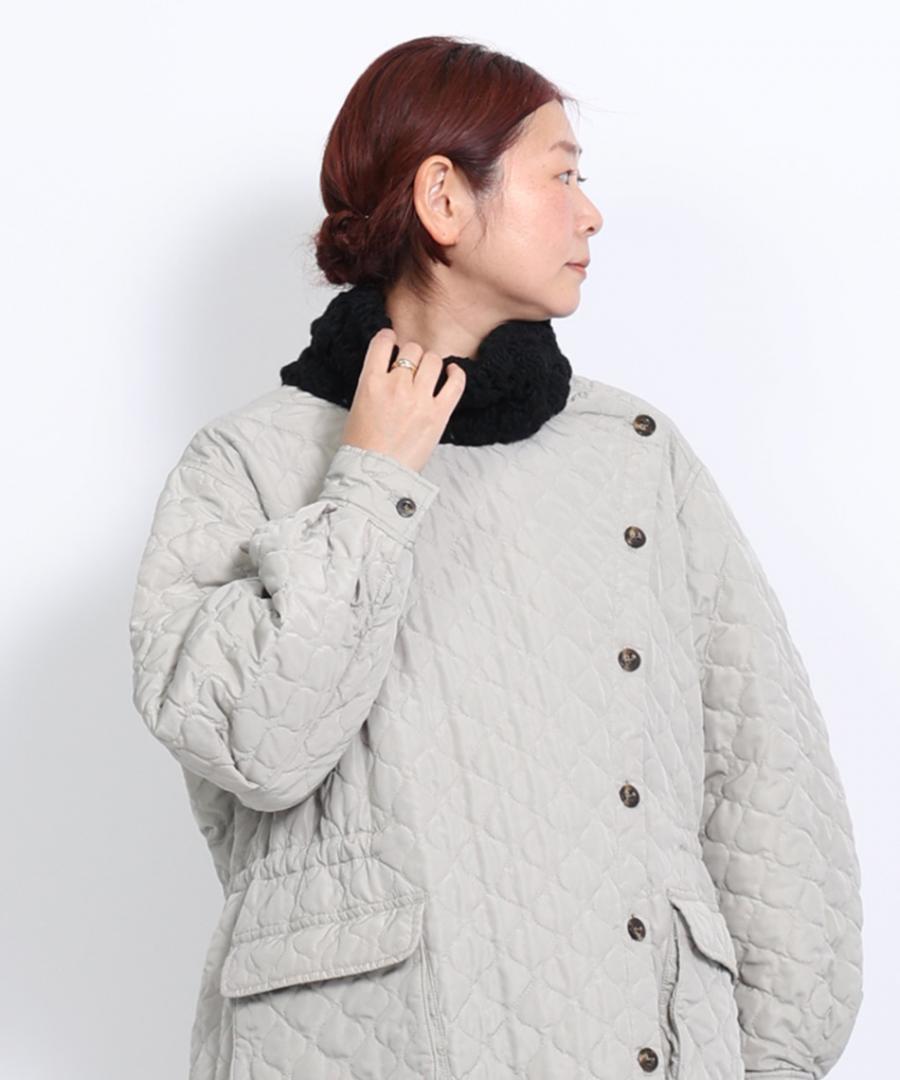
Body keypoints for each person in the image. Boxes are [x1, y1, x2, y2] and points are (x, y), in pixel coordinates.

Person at [128, 34, 863, 1080]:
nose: (590, 213)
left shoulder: (634, 456)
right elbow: (259, 748)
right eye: (560, 175)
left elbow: (765, 773)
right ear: (444, 198)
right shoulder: (246, 464)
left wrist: (777, 1061)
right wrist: (372, 480)